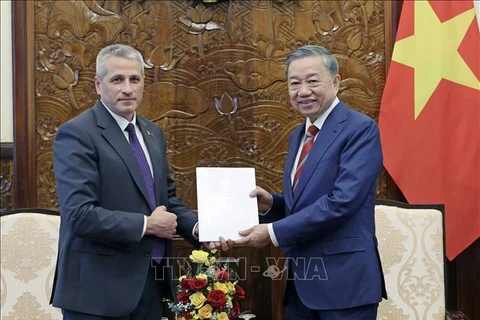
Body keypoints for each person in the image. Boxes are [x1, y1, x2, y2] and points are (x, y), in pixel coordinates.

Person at [51, 44, 220, 320]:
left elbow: (165, 198)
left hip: (149, 285)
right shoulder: (77, 133)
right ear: (98, 84)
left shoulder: (152, 132)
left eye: (135, 79)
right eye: (117, 80)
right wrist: (147, 225)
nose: (127, 88)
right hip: (98, 293)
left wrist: (199, 228)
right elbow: (79, 215)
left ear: (143, 83)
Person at [234, 45, 387, 320]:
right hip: (301, 286)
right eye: (294, 83)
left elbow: (341, 202)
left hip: (345, 287)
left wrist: (271, 232)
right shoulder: (298, 135)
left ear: (336, 82)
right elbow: (305, 201)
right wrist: (273, 204)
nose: (303, 91)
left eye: (312, 81)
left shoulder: (360, 129)